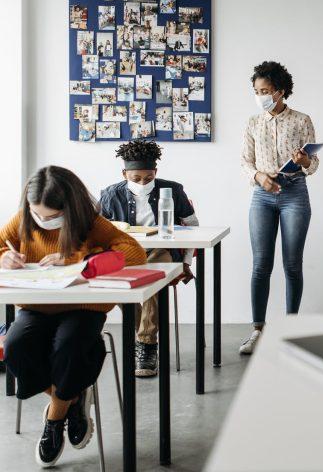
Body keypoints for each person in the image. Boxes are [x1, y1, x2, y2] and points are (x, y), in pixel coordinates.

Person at [1, 166, 147, 467]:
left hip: (82, 306)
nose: (44, 220)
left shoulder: (89, 222)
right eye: (37, 212)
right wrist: (4, 254)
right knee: (15, 347)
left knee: (69, 346)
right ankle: (71, 399)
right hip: (37, 303)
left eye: (52, 216)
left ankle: (55, 418)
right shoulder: (24, 219)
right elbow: (0, 243)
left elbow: (134, 253)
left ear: (69, 207)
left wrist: (78, 258)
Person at [100, 140, 199, 376]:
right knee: (124, 284)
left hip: (162, 252)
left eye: (147, 178)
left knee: (154, 277)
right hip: (125, 254)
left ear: (156, 172)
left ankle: (146, 344)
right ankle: (144, 338)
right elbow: (96, 232)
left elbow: (193, 226)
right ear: (124, 173)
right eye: (135, 179)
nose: (142, 184)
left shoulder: (173, 190)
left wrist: (186, 262)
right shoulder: (110, 195)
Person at [240, 61, 319, 354]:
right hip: (262, 195)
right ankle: (257, 330)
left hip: (294, 192)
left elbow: (314, 163)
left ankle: (291, 330)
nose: (260, 95)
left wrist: (305, 162)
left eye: (266, 91)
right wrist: (259, 177)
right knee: (261, 265)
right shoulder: (252, 122)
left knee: (292, 264)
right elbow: (245, 161)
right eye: (257, 91)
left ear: (280, 91)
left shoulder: (301, 120)